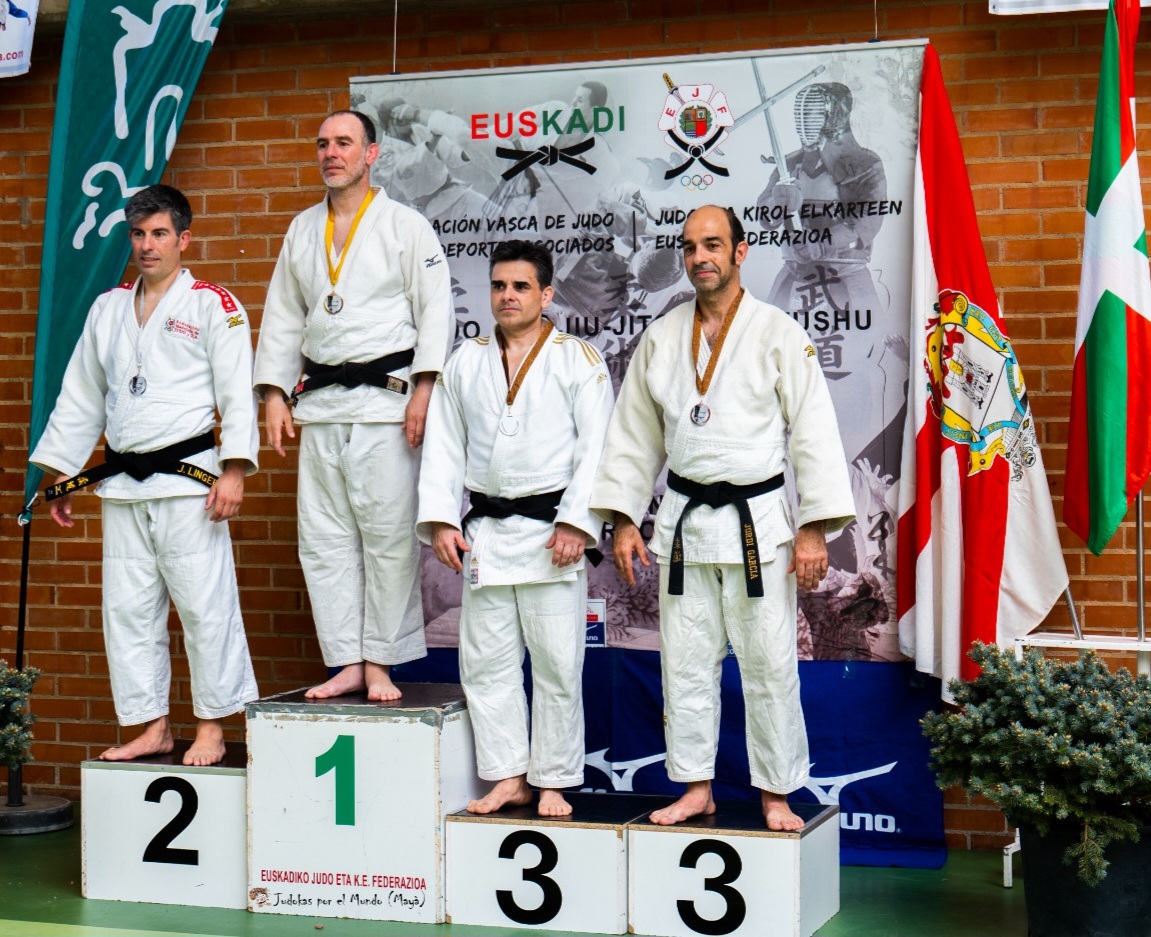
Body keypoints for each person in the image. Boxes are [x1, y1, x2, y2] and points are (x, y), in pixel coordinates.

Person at [592, 205, 856, 829]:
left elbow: (813, 431)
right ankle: (695, 787)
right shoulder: (662, 336)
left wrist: (813, 526)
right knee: (684, 664)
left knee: (769, 664)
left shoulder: (778, 332)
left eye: (712, 245)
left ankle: (776, 793)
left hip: (757, 523)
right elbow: (633, 435)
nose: (699, 257)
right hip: (685, 524)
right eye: (689, 247)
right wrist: (624, 518)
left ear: (740, 252)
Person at [30, 184, 259, 767]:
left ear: (184, 239)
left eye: (159, 234)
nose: (147, 245)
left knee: (205, 608)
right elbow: (82, 395)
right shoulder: (108, 307)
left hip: (189, 483)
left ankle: (211, 726)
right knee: (128, 613)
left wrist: (234, 470)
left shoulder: (213, 304)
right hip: (123, 484)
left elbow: (237, 393)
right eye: (138, 234)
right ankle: (152, 726)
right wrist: (58, 473)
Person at [254, 110, 453, 702]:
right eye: (323, 144)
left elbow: (435, 310)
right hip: (320, 406)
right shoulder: (302, 229)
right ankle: (346, 659)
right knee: (324, 540)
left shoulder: (406, 226)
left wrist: (424, 387)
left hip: (385, 403)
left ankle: (381, 661)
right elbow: (283, 315)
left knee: (387, 539)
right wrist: (273, 393)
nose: (330, 153)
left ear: (372, 154)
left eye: (344, 143)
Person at [418, 240, 614, 816]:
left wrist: (578, 522)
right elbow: (444, 445)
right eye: (499, 286)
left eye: (521, 286)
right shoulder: (465, 361)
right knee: (486, 664)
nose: (508, 296)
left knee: (557, 665)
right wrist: (441, 519)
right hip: (487, 532)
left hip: (553, 533)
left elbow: (597, 449)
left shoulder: (578, 360)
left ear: (546, 294)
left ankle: (553, 779)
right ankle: (508, 776)